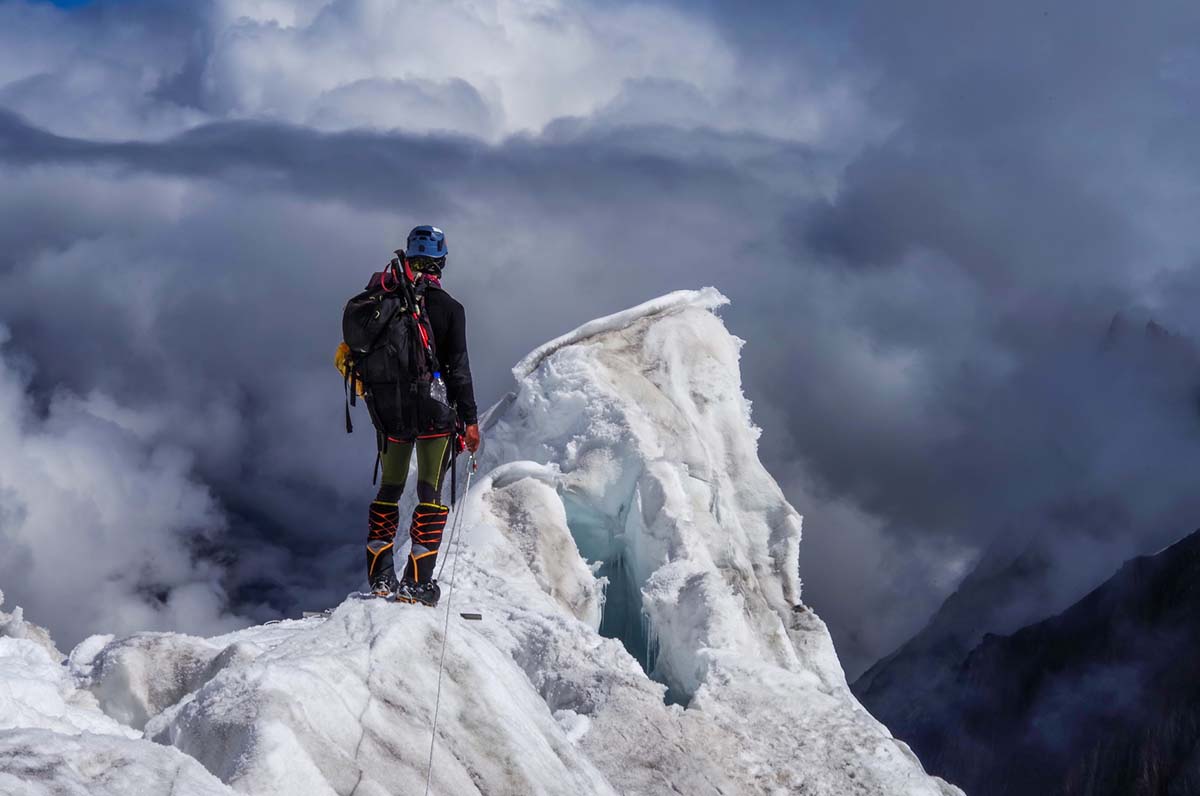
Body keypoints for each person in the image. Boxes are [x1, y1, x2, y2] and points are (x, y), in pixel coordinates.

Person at [336, 225, 481, 606]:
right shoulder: (450, 309)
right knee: (429, 492)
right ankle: (417, 583)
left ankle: (381, 578)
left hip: (389, 412)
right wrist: (470, 421)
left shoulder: (378, 302)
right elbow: (458, 371)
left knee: (390, 488)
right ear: (441, 262)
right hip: (433, 413)